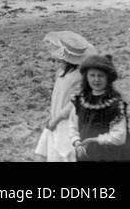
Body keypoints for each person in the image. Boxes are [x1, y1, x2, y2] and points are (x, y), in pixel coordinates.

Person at [65, 55, 130, 161]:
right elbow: (72, 125)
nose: (96, 79)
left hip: (113, 153)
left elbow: (119, 136)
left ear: (108, 78)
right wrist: (76, 142)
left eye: (101, 76)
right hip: (87, 152)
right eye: (92, 75)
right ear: (86, 77)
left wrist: (94, 140)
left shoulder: (115, 104)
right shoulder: (80, 100)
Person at [34, 31, 93, 162]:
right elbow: (57, 96)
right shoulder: (60, 72)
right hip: (56, 116)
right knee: (48, 152)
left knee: (64, 154)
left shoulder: (79, 76)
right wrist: (52, 117)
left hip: (66, 121)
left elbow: (72, 103)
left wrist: (56, 119)